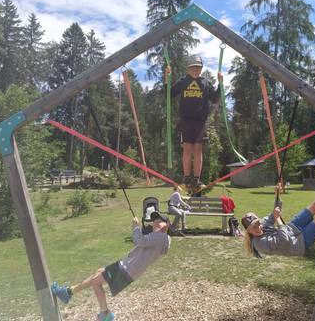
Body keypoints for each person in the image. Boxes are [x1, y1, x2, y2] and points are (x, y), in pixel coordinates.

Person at [51, 212, 171, 321]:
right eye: (155, 221)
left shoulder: (160, 237)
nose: (156, 223)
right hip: (129, 269)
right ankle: (68, 292)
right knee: (98, 273)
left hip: (126, 269)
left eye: (160, 221)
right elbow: (146, 242)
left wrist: (135, 226)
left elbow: (138, 240)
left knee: (95, 282)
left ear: (167, 225)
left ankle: (105, 314)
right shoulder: (164, 240)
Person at [242, 170, 315, 258]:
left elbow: (276, 210)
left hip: (292, 227)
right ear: (249, 231)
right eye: (254, 227)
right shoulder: (260, 244)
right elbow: (285, 239)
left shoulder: (262, 224)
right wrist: (278, 220)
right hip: (300, 244)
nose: (258, 227)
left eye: (257, 223)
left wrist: (277, 193)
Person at [169, 54, 220, 192]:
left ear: (201, 68)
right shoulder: (184, 81)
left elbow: (215, 98)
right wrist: (167, 77)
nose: (195, 70)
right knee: (187, 149)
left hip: (200, 122)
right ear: (188, 69)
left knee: (198, 150)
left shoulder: (205, 83)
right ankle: (186, 179)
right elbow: (170, 93)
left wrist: (220, 84)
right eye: (192, 67)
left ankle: (196, 179)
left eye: (198, 67)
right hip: (186, 120)